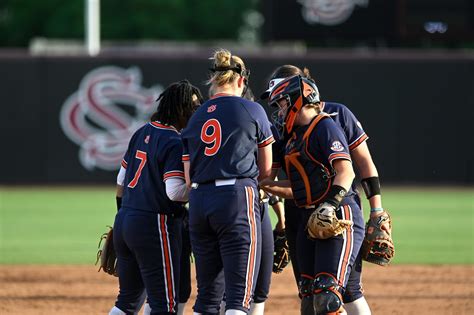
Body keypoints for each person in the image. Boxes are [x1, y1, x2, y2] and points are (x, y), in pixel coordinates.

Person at [260, 65, 390, 315]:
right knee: (309, 295)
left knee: (336, 291)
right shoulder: (287, 130)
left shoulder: (332, 118)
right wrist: (277, 214)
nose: (278, 109)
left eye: (281, 100)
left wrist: (376, 210)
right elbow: (284, 181)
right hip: (302, 211)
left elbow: (358, 165)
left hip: (336, 207)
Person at [181, 49, 274, 315]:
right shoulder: (252, 108)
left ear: (213, 80)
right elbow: (266, 171)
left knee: (208, 298)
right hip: (236, 199)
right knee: (238, 297)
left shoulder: (196, 117)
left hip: (199, 201)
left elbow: (188, 178)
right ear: (242, 81)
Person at [110, 80, 203, 315]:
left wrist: (123, 215)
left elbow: (121, 181)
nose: (197, 111)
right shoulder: (174, 141)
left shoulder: (141, 132)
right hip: (155, 224)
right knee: (165, 304)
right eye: (193, 107)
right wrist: (203, 188)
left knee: (127, 301)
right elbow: (173, 192)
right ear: (180, 109)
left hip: (125, 220)